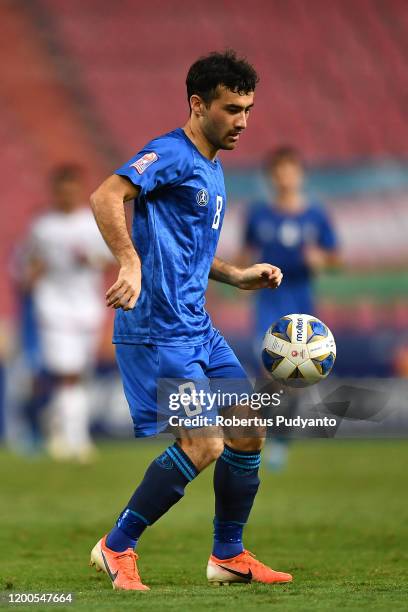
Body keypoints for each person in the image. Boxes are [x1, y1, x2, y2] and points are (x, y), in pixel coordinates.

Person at [89, 50, 292, 591]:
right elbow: (106, 195)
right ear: (198, 105)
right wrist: (128, 262)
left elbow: (188, 254)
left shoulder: (212, 169)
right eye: (231, 109)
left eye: (248, 109)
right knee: (205, 444)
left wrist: (237, 274)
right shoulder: (170, 153)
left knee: (247, 429)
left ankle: (228, 555)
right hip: (158, 329)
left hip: (196, 324)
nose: (243, 121)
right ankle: (117, 545)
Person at [242, 146, 340, 468]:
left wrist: (321, 258)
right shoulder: (258, 214)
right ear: (271, 177)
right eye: (279, 171)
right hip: (268, 304)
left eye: (290, 170)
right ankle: (258, 434)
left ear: (300, 175)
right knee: (270, 372)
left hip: (302, 306)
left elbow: (336, 258)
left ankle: (280, 440)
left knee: (295, 379)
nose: (285, 177)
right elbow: (245, 254)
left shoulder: (315, 215)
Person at [24, 164, 112, 462]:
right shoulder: (43, 226)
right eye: (62, 189)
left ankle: (56, 423)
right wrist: (32, 279)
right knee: (68, 373)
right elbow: (30, 262)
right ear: (55, 191)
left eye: (72, 188)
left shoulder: (91, 223)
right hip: (53, 307)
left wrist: (91, 258)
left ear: (79, 189)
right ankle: (78, 441)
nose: (67, 194)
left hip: (87, 308)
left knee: (79, 373)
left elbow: (109, 258)